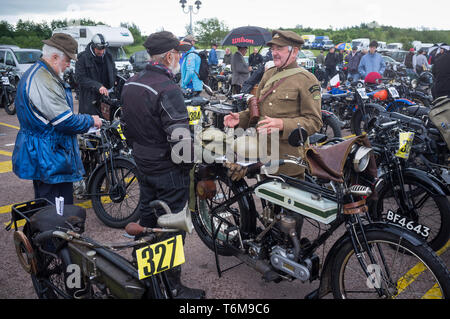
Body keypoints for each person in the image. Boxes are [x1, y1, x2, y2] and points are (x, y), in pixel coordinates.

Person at [120, 31, 205, 299]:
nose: (179, 58)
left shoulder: (131, 83)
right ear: (169, 56)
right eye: (177, 54)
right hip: (168, 169)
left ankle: (144, 275)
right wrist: (195, 165)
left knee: (147, 219)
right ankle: (171, 288)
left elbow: (125, 127)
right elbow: (180, 139)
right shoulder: (168, 88)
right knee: (171, 226)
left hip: (143, 163)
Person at [12, 33, 102, 205]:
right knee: (57, 212)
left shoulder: (38, 72)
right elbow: (65, 121)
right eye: (67, 60)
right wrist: (91, 120)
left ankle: (41, 231)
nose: (69, 65)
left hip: (44, 152)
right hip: (50, 156)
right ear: (54, 57)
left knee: (45, 207)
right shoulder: (44, 80)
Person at [224, 30, 323, 178]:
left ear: (294, 51)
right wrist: (241, 117)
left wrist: (283, 124)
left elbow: (314, 122)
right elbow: (257, 108)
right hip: (263, 155)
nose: (274, 53)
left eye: (280, 48)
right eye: (273, 48)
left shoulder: (307, 79)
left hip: (288, 160)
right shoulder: (269, 74)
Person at [75, 33, 117, 116]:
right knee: (91, 125)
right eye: (99, 49)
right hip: (89, 99)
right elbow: (80, 78)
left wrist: (115, 81)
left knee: (107, 124)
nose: (101, 52)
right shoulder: (82, 58)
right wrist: (98, 86)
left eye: (103, 49)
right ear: (93, 46)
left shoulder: (108, 56)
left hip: (106, 98)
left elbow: (113, 70)